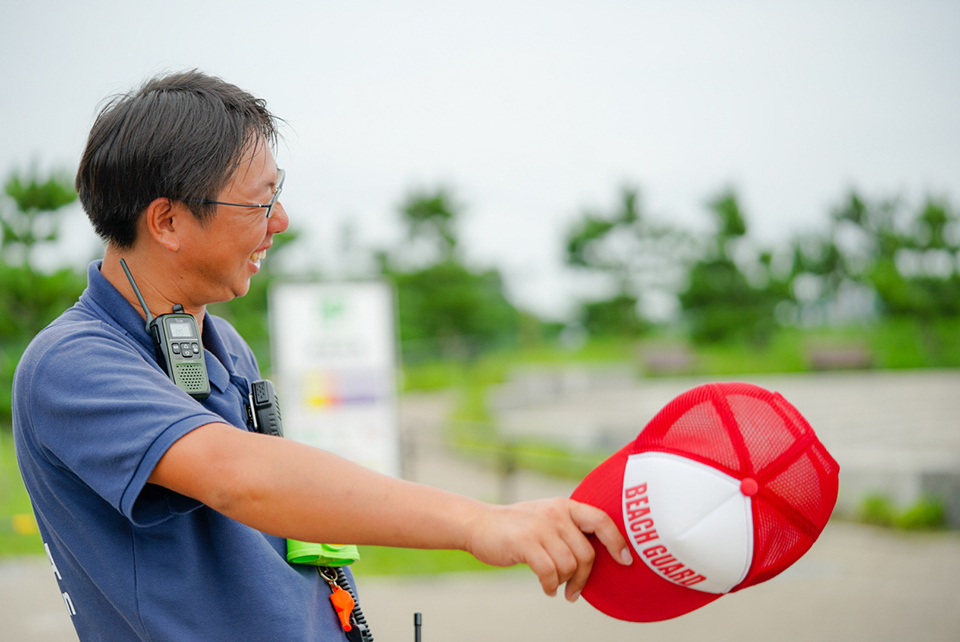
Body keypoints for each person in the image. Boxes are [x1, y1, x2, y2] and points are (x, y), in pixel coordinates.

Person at [12, 70, 631, 641]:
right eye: (258, 203)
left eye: (278, 194)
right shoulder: (71, 364)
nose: (280, 220)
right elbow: (242, 479)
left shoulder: (222, 344)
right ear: (168, 222)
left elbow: (283, 516)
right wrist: (480, 522)